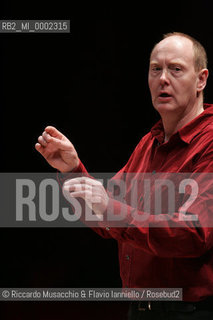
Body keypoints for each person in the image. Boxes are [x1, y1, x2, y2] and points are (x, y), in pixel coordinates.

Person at [35, 32, 213, 319]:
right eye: (156, 69)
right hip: (141, 311)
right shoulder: (149, 143)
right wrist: (71, 170)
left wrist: (110, 208)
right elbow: (105, 219)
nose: (163, 79)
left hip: (189, 312)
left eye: (176, 69)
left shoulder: (210, 141)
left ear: (201, 79)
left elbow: (192, 234)